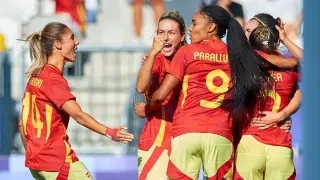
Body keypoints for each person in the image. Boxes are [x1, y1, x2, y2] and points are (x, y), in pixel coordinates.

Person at [138, 4, 278, 179]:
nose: (190, 28)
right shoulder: (235, 54)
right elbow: (280, 66)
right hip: (220, 133)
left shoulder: (187, 52)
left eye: (195, 23)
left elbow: (159, 96)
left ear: (211, 27)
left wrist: (147, 108)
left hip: (186, 132)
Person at [18, 22, 134, 180]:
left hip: (36, 162)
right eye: (72, 38)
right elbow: (78, 115)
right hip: (56, 160)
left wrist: (33, 154)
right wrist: (109, 132)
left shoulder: (36, 76)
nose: (77, 42)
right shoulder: (53, 79)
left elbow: (22, 124)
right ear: (58, 44)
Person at [234, 21, 302, 180]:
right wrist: (283, 114)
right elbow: (310, 64)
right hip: (280, 145)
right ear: (275, 42)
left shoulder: (244, 65)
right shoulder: (289, 70)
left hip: (251, 141)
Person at [135, 10, 187, 179]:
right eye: (161, 32)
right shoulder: (156, 60)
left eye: (171, 33)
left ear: (182, 36)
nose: (165, 38)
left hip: (185, 142)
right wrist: (151, 53)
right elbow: (141, 87)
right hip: (157, 141)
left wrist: (147, 108)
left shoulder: (191, 60)